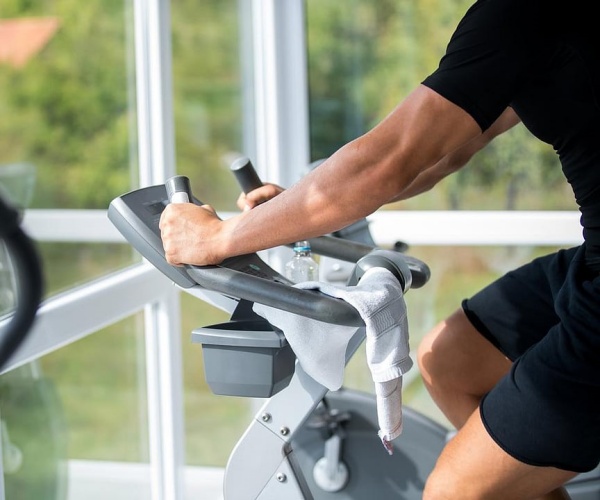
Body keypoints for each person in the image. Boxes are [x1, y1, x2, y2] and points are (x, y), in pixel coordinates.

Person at [160, 0, 599, 498]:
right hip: (589, 260)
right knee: (448, 360)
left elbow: (390, 159)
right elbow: (444, 149)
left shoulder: (521, 15)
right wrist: (291, 213)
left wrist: (217, 238)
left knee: (454, 492)